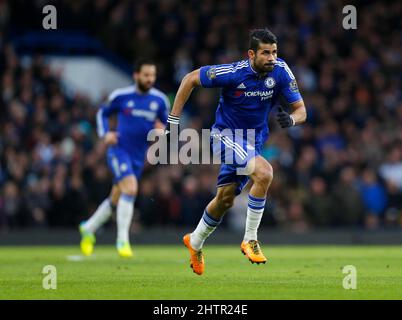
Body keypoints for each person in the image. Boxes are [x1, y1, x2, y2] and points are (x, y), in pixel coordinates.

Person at [166, 28, 307, 275]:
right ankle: (250, 239)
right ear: (251, 54)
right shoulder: (233, 73)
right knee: (265, 172)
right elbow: (189, 79)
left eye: (274, 52)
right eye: (265, 53)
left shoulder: (281, 71)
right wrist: (173, 121)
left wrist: (292, 121)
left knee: (225, 199)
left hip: (253, 142)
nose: (271, 58)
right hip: (225, 137)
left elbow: (301, 109)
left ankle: (195, 241)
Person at [79, 58, 169, 258]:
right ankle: (122, 240)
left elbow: (165, 125)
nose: (149, 79)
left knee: (116, 197)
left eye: (152, 75)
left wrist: (162, 131)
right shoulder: (121, 96)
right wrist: (105, 134)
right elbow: (102, 113)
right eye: (146, 75)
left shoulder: (160, 100)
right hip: (119, 150)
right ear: (136, 75)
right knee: (131, 188)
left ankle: (89, 228)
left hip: (138, 156)